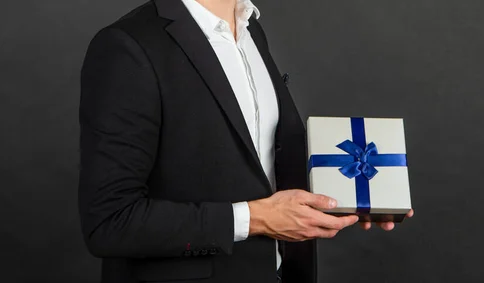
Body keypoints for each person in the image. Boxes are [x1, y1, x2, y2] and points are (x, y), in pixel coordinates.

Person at [78, 0, 414, 282]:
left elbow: (253, 164)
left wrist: (353, 198)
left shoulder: (251, 31)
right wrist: (256, 218)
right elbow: (110, 223)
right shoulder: (128, 44)